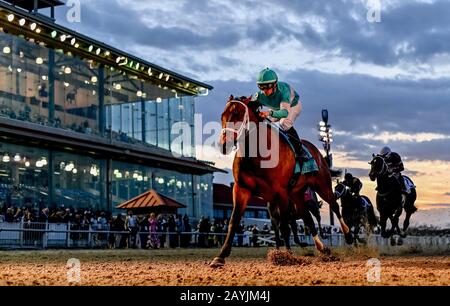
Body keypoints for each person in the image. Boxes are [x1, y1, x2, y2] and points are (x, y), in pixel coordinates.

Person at [251, 68, 309, 162]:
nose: (265, 91)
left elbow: (284, 113)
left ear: (275, 84)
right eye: (262, 87)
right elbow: (248, 104)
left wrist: (269, 113)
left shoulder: (284, 91)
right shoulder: (259, 95)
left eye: (268, 87)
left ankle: (300, 151)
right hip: (276, 108)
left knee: (284, 123)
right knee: (262, 122)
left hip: (292, 107)